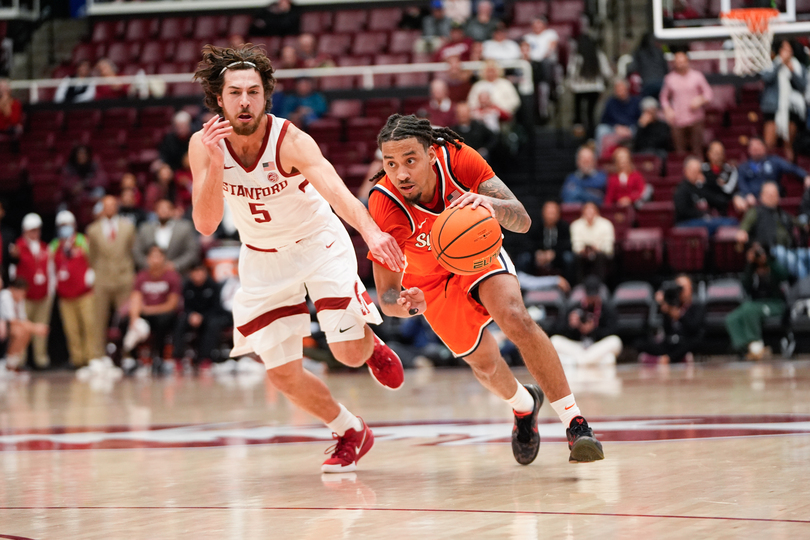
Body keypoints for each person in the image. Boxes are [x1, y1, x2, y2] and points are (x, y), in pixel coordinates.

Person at [190, 44, 406, 473]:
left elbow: (337, 192)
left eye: (253, 91)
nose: (245, 101)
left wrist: (372, 233)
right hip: (263, 258)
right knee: (282, 374)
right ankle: (350, 430)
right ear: (219, 98)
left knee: (345, 354)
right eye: (235, 93)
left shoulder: (290, 140)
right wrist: (215, 165)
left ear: (266, 96)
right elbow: (206, 224)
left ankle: (369, 344)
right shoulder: (204, 144)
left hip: (317, 245)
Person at [367, 113, 604, 464]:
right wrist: (408, 305)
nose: (400, 173)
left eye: (410, 160)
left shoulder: (460, 159)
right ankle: (524, 406)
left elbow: (522, 220)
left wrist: (489, 205)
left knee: (516, 317)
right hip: (429, 284)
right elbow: (387, 297)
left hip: (476, 254)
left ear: (431, 154)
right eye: (391, 163)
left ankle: (575, 423)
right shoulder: (384, 205)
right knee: (487, 365)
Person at [49, 210, 101, 368]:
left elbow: (94, 260)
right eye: (62, 225)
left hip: (84, 294)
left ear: (74, 225)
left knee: (89, 326)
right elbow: (49, 267)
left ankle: (91, 357)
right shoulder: (54, 245)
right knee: (71, 330)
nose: (65, 228)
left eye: (68, 225)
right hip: (65, 295)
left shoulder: (83, 241)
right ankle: (77, 359)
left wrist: (92, 274)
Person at [86, 195, 136, 356]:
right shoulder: (92, 230)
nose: (109, 208)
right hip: (102, 279)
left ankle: (127, 355)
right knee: (99, 319)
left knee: (125, 319)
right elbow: (91, 256)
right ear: (101, 207)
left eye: (112, 205)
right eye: (106, 205)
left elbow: (132, 251)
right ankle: (97, 355)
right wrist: (98, 270)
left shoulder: (128, 227)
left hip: (124, 278)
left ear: (117, 207)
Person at [725, 242, 788, 360]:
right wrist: (750, 265)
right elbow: (745, 286)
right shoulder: (751, 269)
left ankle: (756, 345)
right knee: (732, 318)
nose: (758, 254)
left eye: (759, 251)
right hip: (756, 304)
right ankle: (745, 349)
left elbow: (784, 276)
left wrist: (768, 262)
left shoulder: (773, 265)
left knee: (750, 309)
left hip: (775, 304)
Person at [124, 245, 182, 372]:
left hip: (163, 313)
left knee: (163, 322)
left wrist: (149, 310)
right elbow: (135, 298)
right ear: (148, 259)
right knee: (126, 320)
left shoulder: (172, 276)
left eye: (158, 256)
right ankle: (132, 359)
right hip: (146, 313)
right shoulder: (141, 276)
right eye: (152, 256)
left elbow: (172, 304)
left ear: (164, 258)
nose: (155, 260)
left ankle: (159, 358)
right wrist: (134, 319)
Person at [737, 182, 808, 279]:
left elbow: (802, 224)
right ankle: (806, 286)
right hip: (771, 251)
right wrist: (742, 233)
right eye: (769, 194)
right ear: (762, 196)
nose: (772, 197)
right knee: (790, 259)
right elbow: (744, 227)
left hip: (790, 249)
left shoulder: (782, 214)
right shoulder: (755, 212)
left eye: (775, 194)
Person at [10, 213, 52, 368]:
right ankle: (19, 361)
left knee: (41, 329)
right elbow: (12, 272)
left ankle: (41, 360)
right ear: (25, 230)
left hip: (43, 295)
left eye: (37, 230)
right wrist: (15, 295)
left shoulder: (45, 247)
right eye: (32, 230)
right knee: (23, 328)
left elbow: (50, 270)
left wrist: (50, 292)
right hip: (24, 296)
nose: (35, 233)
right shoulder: (18, 247)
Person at [550, 276, 622, 366]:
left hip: (597, 347)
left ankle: (578, 362)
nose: (592, 299)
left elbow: (615, 330)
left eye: (594, 295)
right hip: (578, 347)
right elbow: (555, 329)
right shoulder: (574, 308)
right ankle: (587, 361)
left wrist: (594, 329)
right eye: (589, 295)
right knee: (554, 340)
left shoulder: (607, 309)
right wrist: (570, 325)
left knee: (615, 341)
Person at [637, 275, 704, 364]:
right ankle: (674, 358)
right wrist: (660, 305)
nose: (681, 291)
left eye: (683, 288)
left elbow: (693, 328)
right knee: (640, 343)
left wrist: (679, 316)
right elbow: (664, 330)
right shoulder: (670, 304)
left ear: (690, 289)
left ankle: (665, 359)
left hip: (686, 340)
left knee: (695, 342)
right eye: (678, 288)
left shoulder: (697, 306)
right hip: (671, 342)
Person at [760, 40, 807, 163]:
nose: (787, 52)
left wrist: (792, 71)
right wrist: (780, 63)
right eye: (784, 49)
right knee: (769, 143)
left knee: (789, 144)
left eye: (789, 49)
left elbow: (803, 86)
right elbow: (766, 78)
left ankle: (790, 173)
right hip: (773, 107)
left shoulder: (797, 66)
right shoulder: (771, 64)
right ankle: (768, 169)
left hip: (792, 108)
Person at [173, 262, 227, 369]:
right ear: (190, 274)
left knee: (213, 324)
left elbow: (216, 307)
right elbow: (184, 306)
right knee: (179, 322)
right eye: (195, 272)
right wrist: (191, 315)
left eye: (200, 272)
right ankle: (177, 358)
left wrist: (202, 316)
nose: (198, 275)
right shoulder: (186, 286)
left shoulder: (213, 286)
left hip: (209, 316)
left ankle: (206, 359)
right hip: (191, 316)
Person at [659, 50, 713, 154]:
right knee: (680, 151)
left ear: (687, 61)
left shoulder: (697, 76)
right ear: (674, 63)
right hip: (677, 120)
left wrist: (700, 100)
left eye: (682, 61)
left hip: (696, 119)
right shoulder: (669, 79)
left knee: (697, 149)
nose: (680, 64)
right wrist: (667, 109)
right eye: (678, 62)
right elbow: (663, 97)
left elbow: (709, 93)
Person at [737, 137, 810, 208]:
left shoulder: (774, 160)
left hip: (772, 197)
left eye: (758, 145)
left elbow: (791, 168)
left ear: (764, 147)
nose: (755, 148)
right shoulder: (744, 167)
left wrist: (805, 176)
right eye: (752, 146)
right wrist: (747, 194)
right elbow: (742, 182)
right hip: (753, 198)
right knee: (739, 199)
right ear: (749, 149)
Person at [674, 156, 738, 236]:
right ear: (686, 171)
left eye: (699, 171)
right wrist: (702, 215)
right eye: (695, 171)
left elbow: (719, 201)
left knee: (732, 221)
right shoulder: (682, 189)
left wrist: (703, 185)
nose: (698, 174)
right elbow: (683, 210)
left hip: (702, 221)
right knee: (728, 223)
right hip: (686, 223)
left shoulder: (699, 187)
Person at [133, 198, 200, 274]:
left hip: (178, 274)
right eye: (160, 208)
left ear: (173, 211)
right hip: (150, 275)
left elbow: (192, 251)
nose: (163, 211)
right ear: (155, 211)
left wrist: (176, 265)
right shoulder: (145, 229)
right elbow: (136, 250)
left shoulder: (185, 228)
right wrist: (149, 264)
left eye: (166, 208)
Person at [567, 35, 613, 139]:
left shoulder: (576, 57)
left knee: (578, 113)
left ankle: (580, 135)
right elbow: (607, 73)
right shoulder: (599, 55)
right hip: (595, 88)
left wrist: (570, 85)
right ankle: (591, 136)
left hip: (579, 89)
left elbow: (571, 72)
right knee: (590, 114)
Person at [0, 279, 48, 372]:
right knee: (19, 332)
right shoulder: (5, 296)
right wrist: (35, 328)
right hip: (3, 326)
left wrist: (34, 327)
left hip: (6, 326)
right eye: (20, 293)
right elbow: (12, 320)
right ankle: (5, 364)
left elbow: (22, 319)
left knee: (25, 332)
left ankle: (11, 366)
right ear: (13, 290)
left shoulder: (19, 299)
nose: (22, 296)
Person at [524, 200, 572, 278]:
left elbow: (567, 244)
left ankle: (569, 285)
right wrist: (538, 253)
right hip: (538, 256)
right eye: (548, 212)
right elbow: (528, 243)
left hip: (557, 257)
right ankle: (525, 285)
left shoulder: (564, 227)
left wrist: (554, 253)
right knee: (525, 258)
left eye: (553, 213)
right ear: (543, 213)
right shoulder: (535, 226)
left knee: (568, 258)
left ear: (558, 214)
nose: (550, 216)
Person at [594, 79, 640, 157]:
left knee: (639, 129)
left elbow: (639, 119)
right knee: (600, 130)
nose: (620, 91)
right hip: (615, 128)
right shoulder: (610, 102)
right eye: (617, 89)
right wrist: (615, 127)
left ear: (627, 89)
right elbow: (604, 120)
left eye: (621, 88)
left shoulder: (636, 101)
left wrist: (627, 128)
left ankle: (637, 155)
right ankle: (600, 158)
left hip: (630, 128)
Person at [570, 202, 614, 282]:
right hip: (583, 254)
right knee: (575, 257)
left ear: (597, 212)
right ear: (582, 213)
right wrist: (583, 250)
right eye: (587, 212)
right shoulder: (575, 225)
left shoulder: (606, 224)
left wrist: (597, 249)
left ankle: (601, 285)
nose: (589, 214)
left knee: (601, 256)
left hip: (600, 253)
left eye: (592, 211)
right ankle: (580, 285)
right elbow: (576, 245)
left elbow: (608, 246)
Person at [61, 144, 108, 213]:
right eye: (79, 153)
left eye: (84, 153)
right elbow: (65, 185)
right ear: (75, 155)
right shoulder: (69, 168)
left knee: (100, 190)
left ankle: (98, 216)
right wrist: (73, 188)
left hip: (90, 194)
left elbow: (103, 180)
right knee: (62, 204)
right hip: (73, 197)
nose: (82, 156)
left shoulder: (93, 166)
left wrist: (86, 183)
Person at [702, 140, 740, 215]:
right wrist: (717, 182)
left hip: (723, 207)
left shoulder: (730, 170)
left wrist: (711, 181)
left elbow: (728, 190)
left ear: (723, 154)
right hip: (706, 208)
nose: (717, 155)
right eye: (715, 152)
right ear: (708, 154)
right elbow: (700, 189)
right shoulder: (702, 169)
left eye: (720, 153)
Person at [628, 32, 668, 98]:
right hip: (661, 83)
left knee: (647, 105)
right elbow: (666, 68)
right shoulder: (659, 51)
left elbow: (633, 67)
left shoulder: (639, 52)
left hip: (647, 84)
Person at [0, 78, 22, 147]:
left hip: (9, 130)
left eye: (5, 87)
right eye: (1, 87)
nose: (3, 90)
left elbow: (14, 121)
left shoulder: (16, 103)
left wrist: (5, 106)